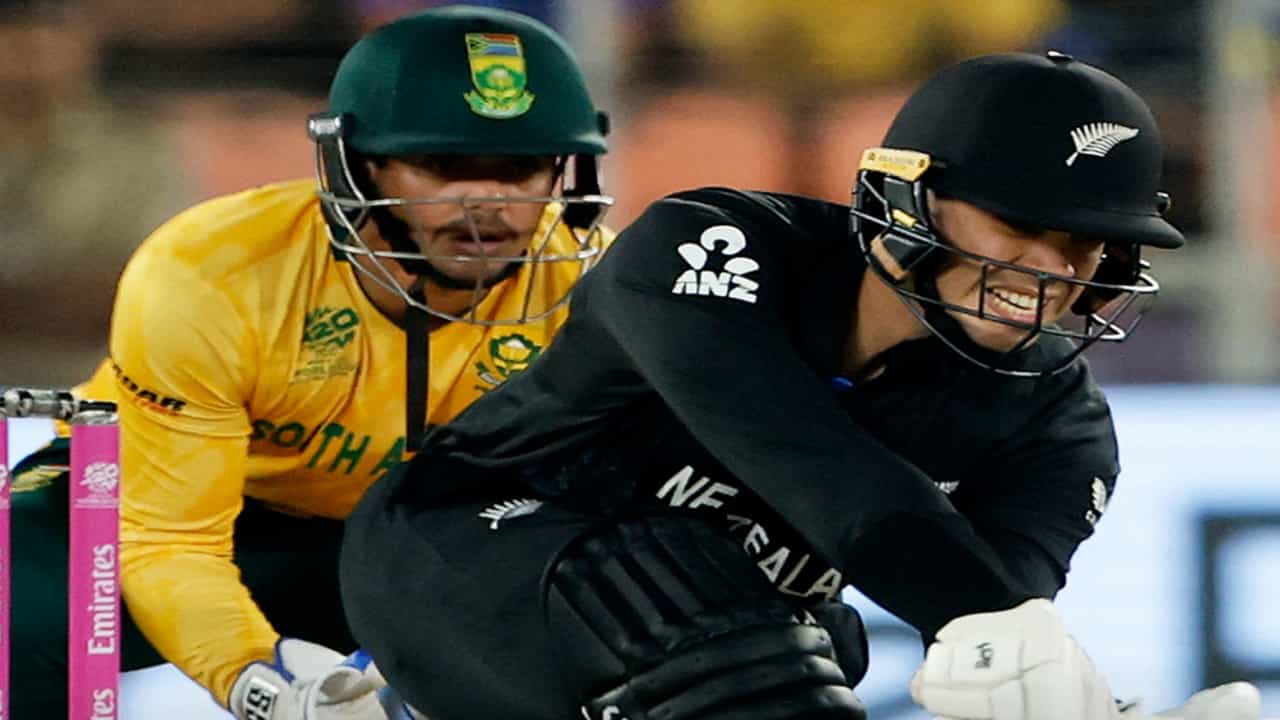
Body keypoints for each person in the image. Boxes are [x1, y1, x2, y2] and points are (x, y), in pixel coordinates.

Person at [340, 51, 1264, 720]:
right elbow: (818, 468)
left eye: (1084, 243)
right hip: (453, 549)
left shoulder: (1059, 425)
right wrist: (1000, 631)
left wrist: (1060, 699)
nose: (1052, 270)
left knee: (815, 647)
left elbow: (989, 642)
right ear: (907, 197)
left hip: (711, 633)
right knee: (700, 613)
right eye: (1020, 223)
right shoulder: (711, 250)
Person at [6, 5, 613, 718]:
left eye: (523, 168)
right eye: (444, 165)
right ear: (357, 164)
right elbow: (169, 536)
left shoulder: (595, 288)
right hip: (204, 510)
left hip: (422, 532)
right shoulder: (214, 271)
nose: (489, 204)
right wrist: (263, 682)